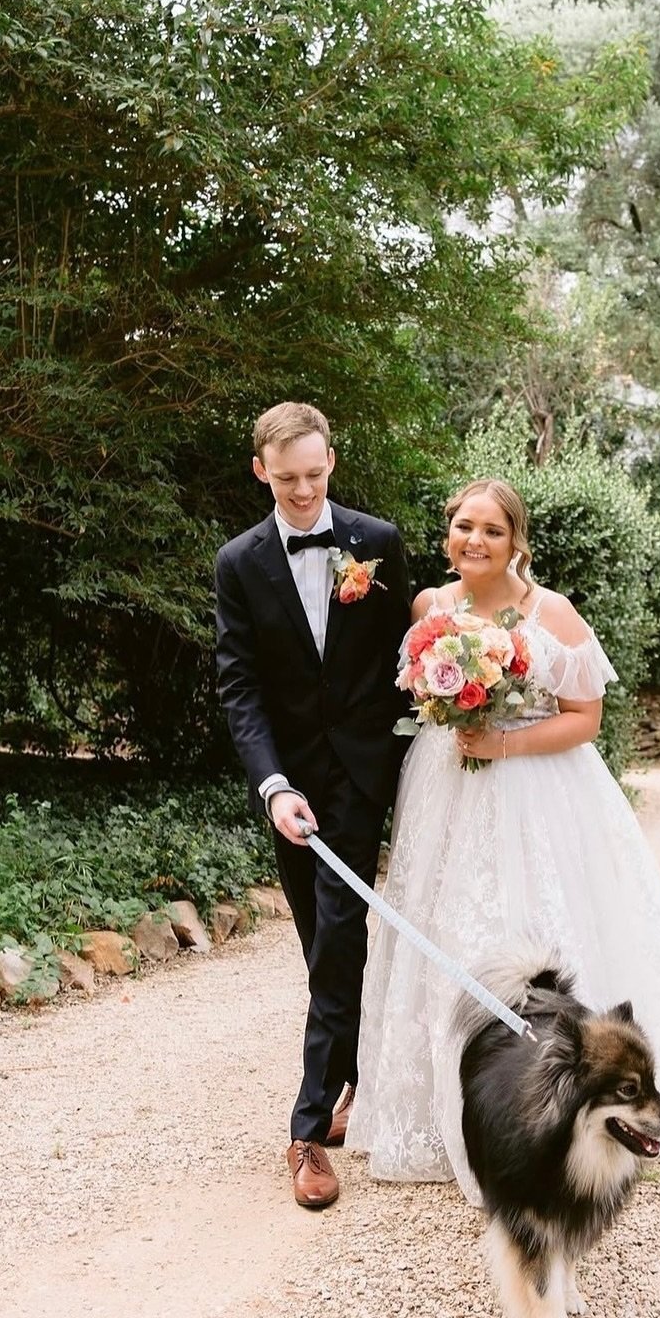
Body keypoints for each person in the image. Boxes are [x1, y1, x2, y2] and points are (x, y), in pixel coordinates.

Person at [345, 478, 660, 1203]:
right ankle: (436, 1107)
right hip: (443, 785)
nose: (475, 541)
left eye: (493, 530)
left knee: (537, 935)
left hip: (533, 789)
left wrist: (504, 745)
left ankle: (548, 1102)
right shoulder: (429, 608)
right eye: (464, 526)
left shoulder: (549, 612)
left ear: (516, 541)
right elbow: (415, 696)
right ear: (447, 533)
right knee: (445, 929)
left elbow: (585, 717)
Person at [214, 402, 411, 1209]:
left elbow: (410, 655)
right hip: (289, 785)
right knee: (319, 942)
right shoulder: (239, 562)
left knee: (337, 933)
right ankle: (357, 1083)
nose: (303, 491)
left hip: (361, 777)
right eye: (286, 477)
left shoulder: (379, 543)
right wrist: (272, 785)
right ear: (262, 471)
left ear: (333, 459)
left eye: (315, 474)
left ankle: (305, 1130)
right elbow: (239, 685)